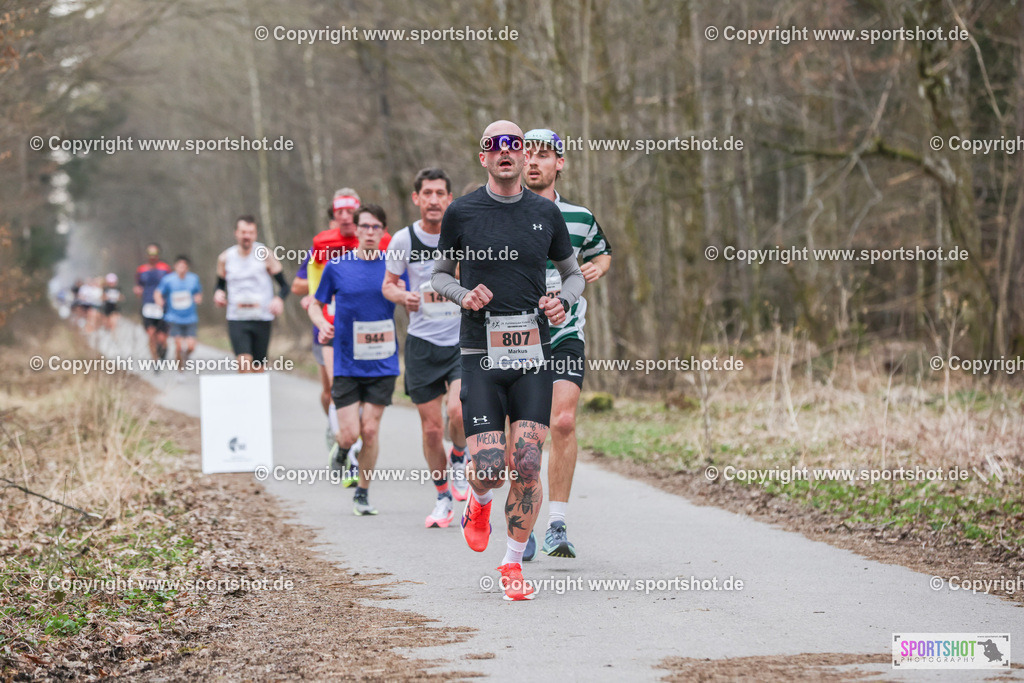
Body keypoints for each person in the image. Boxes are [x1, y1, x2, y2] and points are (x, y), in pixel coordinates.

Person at [431, 120, 585, 601]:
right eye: (493, 146)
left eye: (512, 145)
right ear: (483, 157)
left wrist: (563, 301)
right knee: (493, 466)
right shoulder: (462, 212)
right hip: (480, 352)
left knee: (527, 463)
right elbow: (438, 275)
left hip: (533, 354)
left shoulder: (545, 213)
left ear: (523, 155)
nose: (504, 152)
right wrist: (462, 294)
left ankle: (511, 565)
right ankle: (477, 500)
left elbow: (573, 275)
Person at [520, 128, 613, 561]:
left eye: (544, 155)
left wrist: (596, 268)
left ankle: (556, 523)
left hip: (565, 333)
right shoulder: (501, 214)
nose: (534, 161)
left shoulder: (579, 216)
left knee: (562, 422)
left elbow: (602, 251)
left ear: (560, 163)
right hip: (515, 338)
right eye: (527, 154)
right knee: (524, 439)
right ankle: (524, 520)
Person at [383, 168, 468, 529]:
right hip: (421, 344)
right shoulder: (403, 240)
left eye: (440, 193)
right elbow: (388, 284)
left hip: (461, 341)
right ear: (416, 198)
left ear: (449, 199)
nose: (434, 200)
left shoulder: (461, 235)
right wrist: (403, 295)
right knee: (432, 430)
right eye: (427, 193)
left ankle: (461, 457)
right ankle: (442, 497)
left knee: (459, 412)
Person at [308, 203, 398, 515]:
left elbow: (412, 297)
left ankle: (362, 492)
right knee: (349, 433)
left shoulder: (393, 267)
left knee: (370, 431)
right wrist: (321, 323)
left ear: (383, 232)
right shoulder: (337, 267)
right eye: (365, 227)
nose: (370, 233)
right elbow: (314, 304)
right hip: (346, 362)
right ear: (356, 230)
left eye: (376, 227)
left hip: (383, 362)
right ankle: (342, 449)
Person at [213, 215, 288, 373]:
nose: (246, 236)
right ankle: (244, 396)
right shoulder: (225, 258)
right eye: (243, 232)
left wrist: (279, 299)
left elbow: (284, 286)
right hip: (237, 317)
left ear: (255, 234)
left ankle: (255, 396)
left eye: (250, 232)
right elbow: (219, 286)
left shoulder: (265, 254)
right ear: (236, 233)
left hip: (261, 317)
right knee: (244, 362)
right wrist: (218, 294)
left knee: (258, 368)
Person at [154, 255, 203, 379]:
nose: (182, 269)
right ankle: (180, 371)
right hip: (174, 317)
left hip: (190, 317)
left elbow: (198, 292)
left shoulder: (194, 279)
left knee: (191, 346)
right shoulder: (168, 280)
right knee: (179, 346)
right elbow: (158, 292)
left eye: (184, 266)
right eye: (180, 266)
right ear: (175, 266)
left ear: (187, 268)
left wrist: (198, 298)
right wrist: (159, 301)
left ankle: (185, 359)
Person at [135, 243, 171, 362]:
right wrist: (138, 290)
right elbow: (138, 285)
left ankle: (163, 352)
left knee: (161, 337)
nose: (152, 256)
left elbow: (170, 285)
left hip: (162, 306)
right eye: (150, 254)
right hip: (148, 305)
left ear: (158, 254)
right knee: (151, 334)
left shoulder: (165, 268)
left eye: (154, 254)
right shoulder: (141, 270)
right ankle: (155, 360)